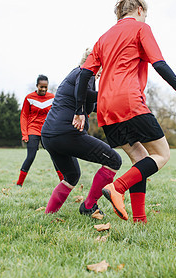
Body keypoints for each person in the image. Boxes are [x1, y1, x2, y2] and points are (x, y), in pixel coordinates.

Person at [73, 0, 176, 222]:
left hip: (105, 108)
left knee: (140, 158)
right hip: (129, 102)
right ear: (140, 10)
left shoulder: (103, 38)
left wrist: (80, 110)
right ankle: (117, 188)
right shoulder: (141, 28)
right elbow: (159, 63)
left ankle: (140, 220)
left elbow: (84, 75)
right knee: (161, 154)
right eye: (145, 15)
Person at [41, 49, 122, 215]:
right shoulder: (84, 73)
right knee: (114, 160)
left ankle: (49, 215)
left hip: (49, 135)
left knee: (72, 175)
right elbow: (85, 94)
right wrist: (111, 94)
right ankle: (88, 206)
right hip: (66, 133)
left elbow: (90, 101)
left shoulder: (80, 76)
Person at [16, 75, 63, 186]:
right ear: (37, 86)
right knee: (31, 156)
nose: (43, 89)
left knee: (55, 156)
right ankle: (19, 184)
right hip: (33, 130)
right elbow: (24, 116)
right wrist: (25, 134)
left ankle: (63, 182)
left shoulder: (52, 97)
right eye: (41, 87)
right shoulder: (29, 98)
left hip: (47, 130)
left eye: (45, 87)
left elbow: (57, 114)